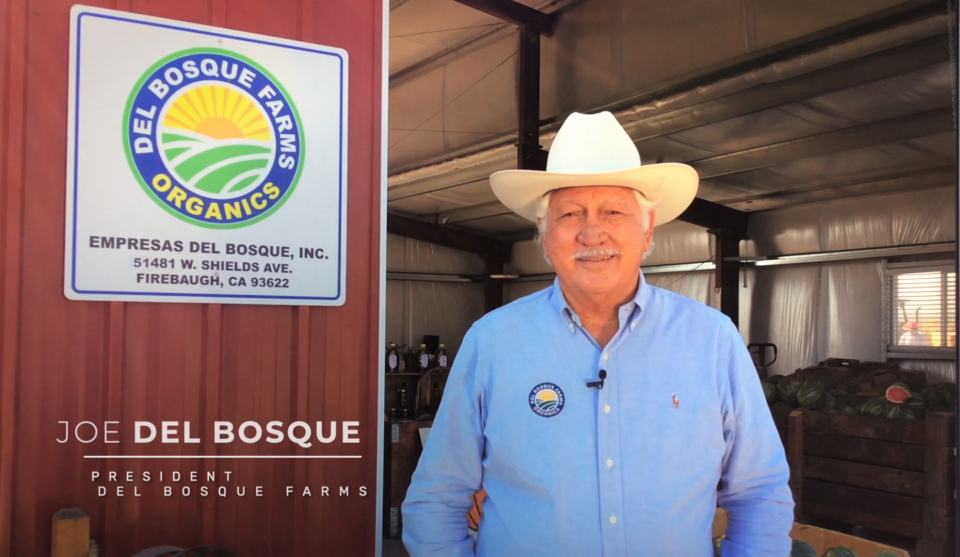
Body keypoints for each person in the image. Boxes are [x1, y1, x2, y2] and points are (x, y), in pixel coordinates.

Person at [401, 111, 794, 557]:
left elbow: (760, 492)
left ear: (647, 232)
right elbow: (437, 499)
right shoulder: (492, 342)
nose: (592, 231)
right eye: (570, 213)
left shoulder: (712, 340)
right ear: (544, 237)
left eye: (613, 211)